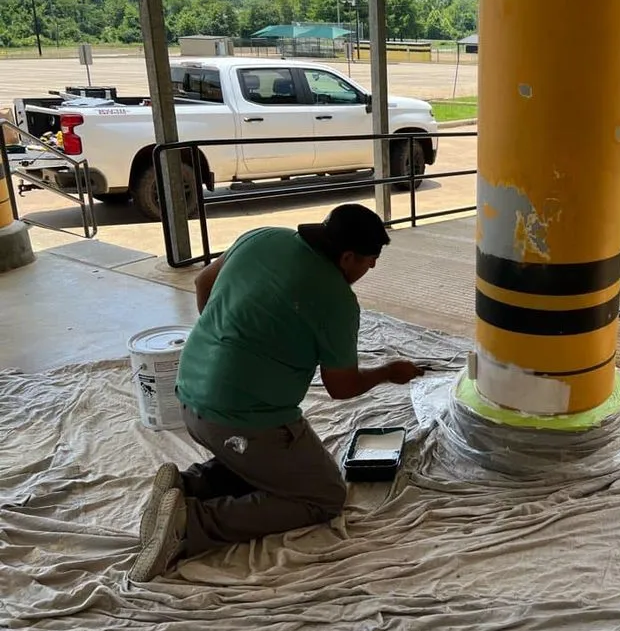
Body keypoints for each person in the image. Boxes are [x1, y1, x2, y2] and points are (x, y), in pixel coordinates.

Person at [129, 204, 424, 582]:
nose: (372, 268)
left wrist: (229, 340)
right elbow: (341, 386)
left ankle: (189, 484)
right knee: (323, 495)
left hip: (188, 395)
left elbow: (203, 283)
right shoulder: (336, 300)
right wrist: (388, 372)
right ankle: (189, 524)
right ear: (347, 256)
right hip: (238, 422)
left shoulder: (264, 237)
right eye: (370, 259)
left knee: (279, 465)